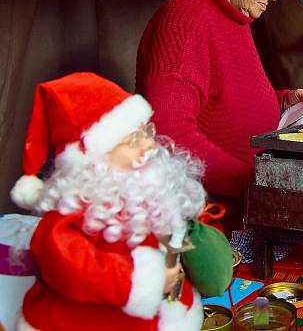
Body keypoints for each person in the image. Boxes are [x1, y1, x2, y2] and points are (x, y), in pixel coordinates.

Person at [136, 0, 303, 230]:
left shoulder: (236, 19)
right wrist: (252, 182)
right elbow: (169, 132)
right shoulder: (185, 19)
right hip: (207, 220)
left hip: (243, 210)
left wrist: (281, 101)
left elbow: (221, 96)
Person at [10, 72, 207, 331]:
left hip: (157, 311)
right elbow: (78, 273)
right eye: (132, 140)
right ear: (95, 161)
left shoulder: (140, 193)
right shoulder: (62, 224)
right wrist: (148, 281)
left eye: (147, 131)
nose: (149, 144)